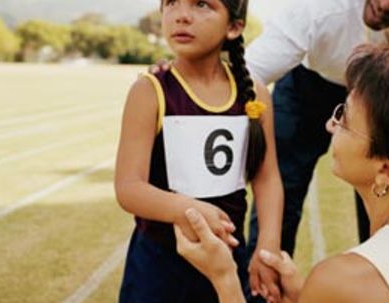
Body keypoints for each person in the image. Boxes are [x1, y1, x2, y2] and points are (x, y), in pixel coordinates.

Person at [174, 33, 389, 303]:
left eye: (345, 117)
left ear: (388, 170)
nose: (331, 125)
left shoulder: (343, 280)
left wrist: (224, 277)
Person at [245, 0, 389, 254]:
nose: (386, 4)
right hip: (309, 84)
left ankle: (380, 281)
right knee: (284, 186)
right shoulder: (317, 8)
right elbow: (247, 76)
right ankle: (263, 288)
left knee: (388, 196)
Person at [114, 0, 283, 302]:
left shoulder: (254, 94)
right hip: (158, 266)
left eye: (202, 4)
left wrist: (267, 246)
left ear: (234, 27)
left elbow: (267, 178)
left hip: (227, 261)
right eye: (171, 3)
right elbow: (129, 188)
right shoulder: (149, 91)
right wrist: (190, 211)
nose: (181, 16)